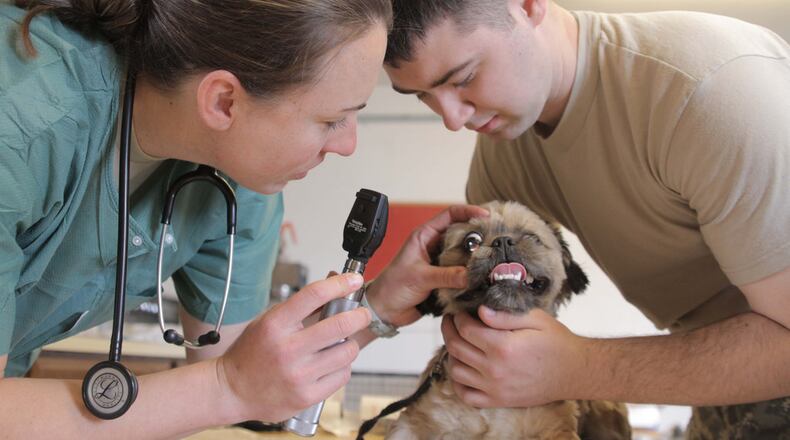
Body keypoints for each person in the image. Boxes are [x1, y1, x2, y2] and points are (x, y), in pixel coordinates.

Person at [0, 1, 487, 437]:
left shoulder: (238, 177)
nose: (347, 144)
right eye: (332, 119)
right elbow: (229, 383)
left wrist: (375, 305)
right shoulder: (20, 123)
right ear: (223, 101)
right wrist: (227, 388)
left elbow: (249, 374)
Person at [383, 0, 790, 438]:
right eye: (423, 95)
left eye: (464, 78)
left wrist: (581, 367)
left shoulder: (708, 93)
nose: (451, 119)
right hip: (721, 379)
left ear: (525, 6)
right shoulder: (504, 147)